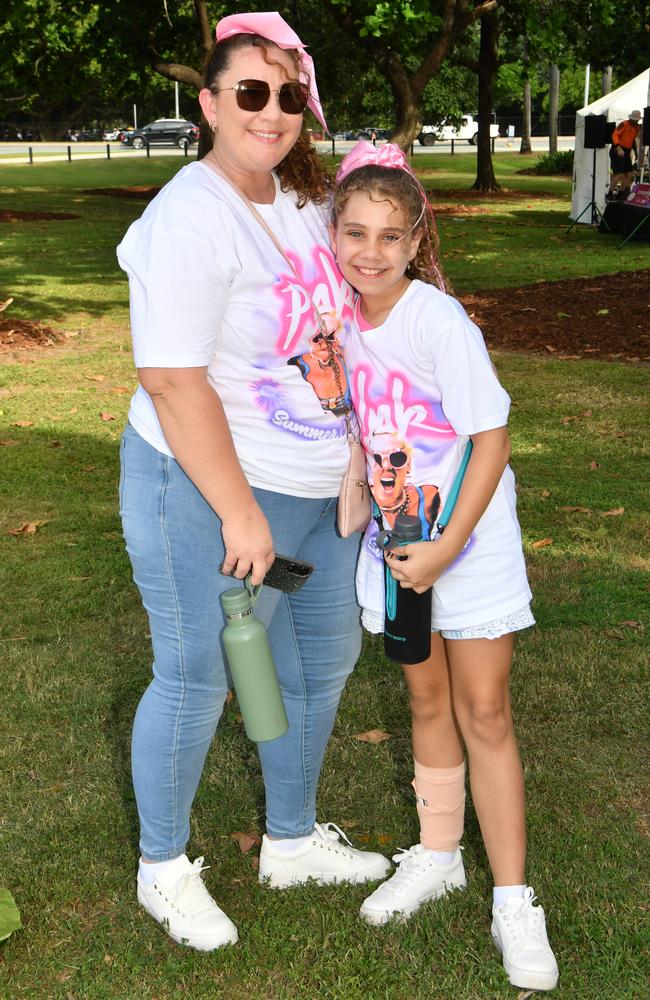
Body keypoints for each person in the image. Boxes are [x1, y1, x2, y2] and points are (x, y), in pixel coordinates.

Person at [116, 13, 390, 953]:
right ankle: (163, 866)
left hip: (322, 497)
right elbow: (172, 377)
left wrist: (355, 459)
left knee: (313, 668)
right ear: (210, 103)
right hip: (212, 495)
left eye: (286, 94)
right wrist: (238, 512)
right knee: (197, 675)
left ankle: (291, 839)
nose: (270, 112)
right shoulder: (188, 216)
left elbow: (339, 332)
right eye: (250, 92)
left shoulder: (300, 203)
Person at [329, 141, 559, 992]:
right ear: (335, 235)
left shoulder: (438, 320)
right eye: (355, 233)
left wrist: (448, 548)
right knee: (425, 699)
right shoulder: (342, 320)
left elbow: (492, 439)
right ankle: (436, 854)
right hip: (395, 543)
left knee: (484, 710)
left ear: (418, 239)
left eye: (390, 237)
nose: (370, 253)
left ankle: (512, 898)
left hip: (464, 541)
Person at [607, 109, 642, 200]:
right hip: (617, 149)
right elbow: (614, 135)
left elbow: (632, 140)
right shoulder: (624, 124)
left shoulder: (636, 128)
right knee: (619, 174)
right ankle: (610, 193)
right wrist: (618, 148)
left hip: (627, 151)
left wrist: (635, 151)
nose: (635, 121)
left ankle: (621, 193)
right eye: (634, 120)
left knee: (629, 174)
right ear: (631, 118)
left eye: (636, 120)